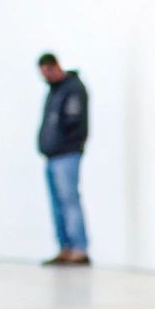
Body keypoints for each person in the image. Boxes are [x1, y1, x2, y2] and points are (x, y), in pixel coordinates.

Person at [37, 52, 90, 266]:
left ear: (56, 66)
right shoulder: (55, 90)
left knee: (69, 201)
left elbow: (73, 123)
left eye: (47, 72)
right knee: (57, 204)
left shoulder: (73, 89)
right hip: (52, 155)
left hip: (66, 154)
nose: (45, 77)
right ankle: (65, 247)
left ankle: (79, 248)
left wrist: (63, 144)